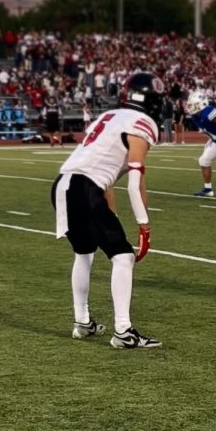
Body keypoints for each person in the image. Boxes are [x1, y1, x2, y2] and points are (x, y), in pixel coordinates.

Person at [51, 72, 163, 349]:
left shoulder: (110, 116)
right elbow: (135, 181)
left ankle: (82, 322)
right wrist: (144, 226)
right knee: (124, 257)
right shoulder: (142, 122)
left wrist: (111, 215)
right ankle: (124, 331)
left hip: (63, 183)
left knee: (84, 253)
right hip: (84, 188)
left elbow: (106, 174)